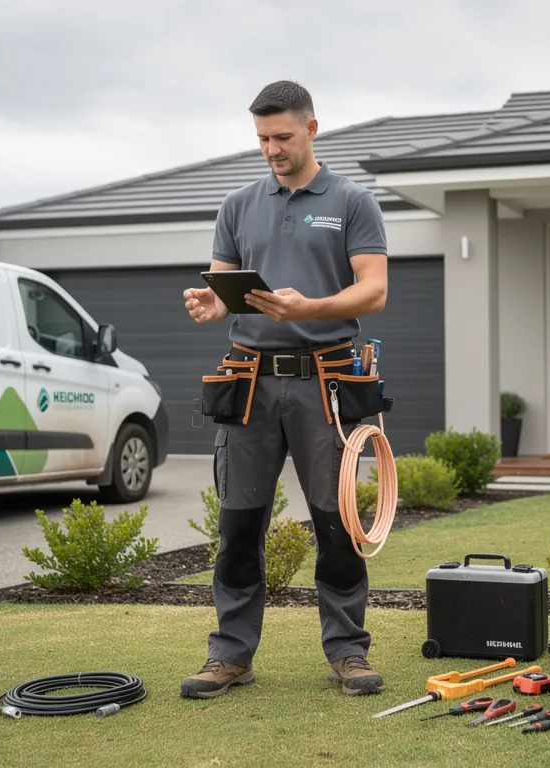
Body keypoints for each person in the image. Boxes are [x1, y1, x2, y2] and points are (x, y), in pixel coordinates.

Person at [179, 80, 389, 699]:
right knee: (240, 525)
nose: (272, 149)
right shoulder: (238, 206)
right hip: (250, 386)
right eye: (262, 139)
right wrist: (209, 305)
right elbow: (223, 290)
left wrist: (312, 305)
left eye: (282, 137)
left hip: (326, 383)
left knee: (336, 524)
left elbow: (373, 291)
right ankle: (230, 657)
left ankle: (348, 652)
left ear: (312, 129)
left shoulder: (353, 202)